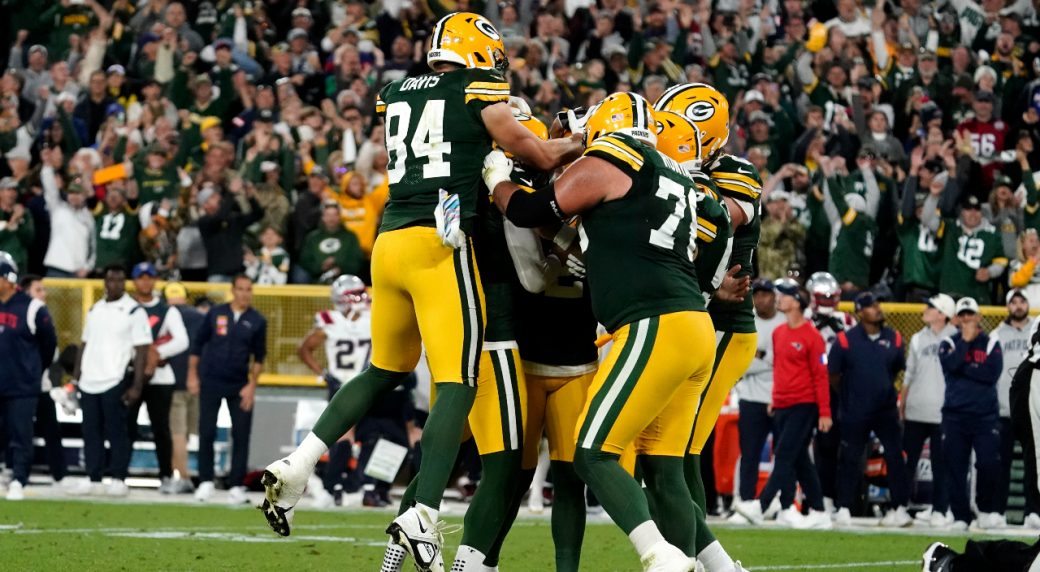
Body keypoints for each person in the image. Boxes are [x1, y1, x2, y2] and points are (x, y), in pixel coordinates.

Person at [259, 14, 581, 572]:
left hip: (388, 242)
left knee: (383, 368)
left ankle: (300, 460)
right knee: (459, 380)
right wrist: (588, 144)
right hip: (440, 244)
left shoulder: (395, 91)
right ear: (479, 53)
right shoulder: (480, 93)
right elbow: (542, 156)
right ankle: (424, 514)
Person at [489, 91, 719, 570]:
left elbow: (530, 212)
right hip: (694, 327)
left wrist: (497, 180)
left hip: (654, 325)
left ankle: (660, 555)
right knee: (665, 471)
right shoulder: (672, 170)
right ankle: (698, 563)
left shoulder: (614, 156)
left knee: (593, 455)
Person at [655, 83, 763, 558]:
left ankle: (705, 559)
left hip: (722, 322)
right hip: (687, 316)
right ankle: (696, 557)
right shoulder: (671, 166)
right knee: (668, 451)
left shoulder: (735, 172)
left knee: (678, 451)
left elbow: (717, 222)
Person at [734, 279, 831, 529]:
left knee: (785, 455)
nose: (779, 299)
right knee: (799, 459)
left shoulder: (813, 336)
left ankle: (762, 505)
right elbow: (779, 369)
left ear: (797, 302)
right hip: (782, 403)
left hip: (804, 403)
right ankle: (819, 510)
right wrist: (774, 400)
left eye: (785, 295)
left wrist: (824, 411)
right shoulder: (779, 333)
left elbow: (820, 375)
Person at [828, 292, 911, 528]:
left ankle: (899, 507)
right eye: (871, 306)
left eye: (877, 304)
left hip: (885, 409)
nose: (877, 309)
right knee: (850, 458)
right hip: (856, 408)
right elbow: (834, 375)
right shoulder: (845, 340)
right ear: (860, 311)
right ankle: (843, 506)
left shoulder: (894, 338)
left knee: (895, 457)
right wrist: (850, 395)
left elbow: (895, 369)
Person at [72, 264, 153, 496]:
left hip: (114, 377)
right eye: (110, 280)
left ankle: (118, 477)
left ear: (124, 283)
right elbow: (84, 344)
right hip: (90, 379)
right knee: (90, 431)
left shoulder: (133, 311)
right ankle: (93, 476)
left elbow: (142, 350)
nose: (114, 284)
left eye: (119, 280)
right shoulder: (95, 309)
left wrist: (137, 385)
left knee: (117, 430)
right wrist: (77, 377)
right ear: (104, 282)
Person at [189, 274, 267, 504]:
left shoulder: (257, 320)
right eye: (241, 289)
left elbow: (259, 357)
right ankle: (205, 482)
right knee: (206, 432)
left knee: (241, 435)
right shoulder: (215, 313)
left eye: (248, 289)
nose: (244, 294)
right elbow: (198, 345)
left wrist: (251, 386)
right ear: (232, 290)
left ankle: (236, 485)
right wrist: (192, 375)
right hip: (210, 380)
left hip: (239, 385)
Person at [297, 275, 373, 504]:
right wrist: (323, 374)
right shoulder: (332, 320)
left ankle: (347, 484)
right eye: (356, 294)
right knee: (345, 434)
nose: (362, 298)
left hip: (363, 382)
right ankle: (336, 486)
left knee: (360, 435)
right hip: (344, 383)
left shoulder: (367, 318)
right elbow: (304, 349)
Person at [939, 297, 1003, 530]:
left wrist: (965, 369)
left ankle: (984, 509)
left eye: (970, 315)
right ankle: (961, 516)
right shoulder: (949, 341)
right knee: (955, 467)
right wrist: (965, 343)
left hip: (985, 416)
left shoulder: (991, 342)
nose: (967, 319)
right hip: (955, 415)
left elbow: (991, 374)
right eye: (962, 315)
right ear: (956, 319)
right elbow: (950, 366)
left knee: (988, 464)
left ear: (978, 317)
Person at [0, 253, 57, 500]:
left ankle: (19, 480)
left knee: (21, 433)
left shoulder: (33, 307)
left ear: (7, 278)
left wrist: (33, 370)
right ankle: (6, 472)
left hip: (22, 384)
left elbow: (49, 344)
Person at [129, 262, 189, 494]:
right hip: (131, 373)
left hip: (161, 376)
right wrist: (143, 356)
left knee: (161, 429)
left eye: (149, 277)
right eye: (141, 277)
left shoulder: (167, 310)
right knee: (126, 426)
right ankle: (118, 474)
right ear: (135, 280)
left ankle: (165, 475)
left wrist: (157, 353)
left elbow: (181, 340)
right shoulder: (128, 308)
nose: (145, 281)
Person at [901, 294, 958, 528]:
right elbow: (909, 374)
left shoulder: (955, 338)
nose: (925, 309)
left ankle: (940, 509)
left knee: (940, 464)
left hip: (942, 411)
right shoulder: (917, 338)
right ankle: (899, 507)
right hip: (916, 410)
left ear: (942, 314)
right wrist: (902, 403)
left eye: (931, 307)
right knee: (907, 462)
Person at [805, 271, 856, 511]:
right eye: (822, 297)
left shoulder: (847, 321)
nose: (826, 301)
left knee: (832, 444)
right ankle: (800, 498)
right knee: (800, 444)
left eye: (829, 297)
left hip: (836, 387)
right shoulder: (802, 318)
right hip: (806, 386)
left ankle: (829, 495)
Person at [732, 279, 784, 511]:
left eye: (766, 294)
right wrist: (769, 357)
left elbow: (785, 361)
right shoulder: (746, 319)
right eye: (758, 294)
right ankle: (745, 503)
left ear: (775, 297)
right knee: (749, 455)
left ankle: (780, 504)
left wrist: (759, 354)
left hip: (781, 397)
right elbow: (741, 363)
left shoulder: (784, 321)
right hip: (751, 398)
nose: (762, 299)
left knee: (784, 455)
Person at [988, 289, 1034, 528]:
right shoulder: (996, 334)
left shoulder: (1037, 329)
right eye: (1013, 302)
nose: (1018, 305)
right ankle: (996, 511)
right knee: (1001, 463)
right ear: (1007, 306)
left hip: (1032, 410)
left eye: (1022, 301)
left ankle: (1033, 512)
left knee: (1033, 464)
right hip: (1004, 409)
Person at [18, 273, 67, 488]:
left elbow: (51, 352)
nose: (43, 294)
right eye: (38, 290)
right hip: (18, 386)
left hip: (41, 384)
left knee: (51, 431)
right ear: (26, 292)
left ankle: (60, 475)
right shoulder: (18, 312)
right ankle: (14, 472)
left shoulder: (41, 313)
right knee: (17, 431)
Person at [163, 282, 205, 495]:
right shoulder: (199, 316)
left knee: (177, 434)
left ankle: (182, 476)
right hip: (195, 381)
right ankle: (186, 473)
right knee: (186, 434)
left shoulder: (164, 314)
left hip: (173, 382)